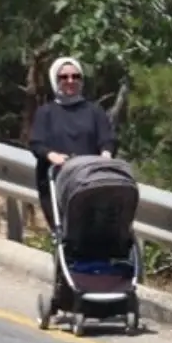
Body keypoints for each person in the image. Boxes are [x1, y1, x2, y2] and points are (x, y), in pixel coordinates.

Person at [28, 57, 117, 229]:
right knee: (66, 231)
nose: (71, 81)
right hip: (58, 181)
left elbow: (107, 139)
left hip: (90, 180)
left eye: (76, 77)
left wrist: (106, 154)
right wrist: (52, 156)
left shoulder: (94, 111)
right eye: (64, 77)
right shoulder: (46, 113)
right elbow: (37, 143)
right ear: (55, 80)